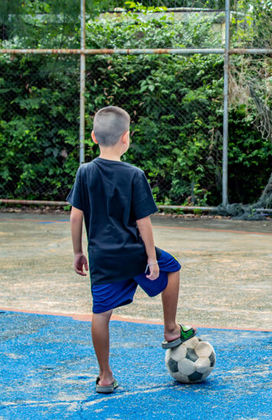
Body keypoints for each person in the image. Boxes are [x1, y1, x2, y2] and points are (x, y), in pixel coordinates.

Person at [67, 106, 195, 394]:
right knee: (172, 269)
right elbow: (143, 222)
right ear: (127, 138)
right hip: (134, 254)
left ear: (93, 137)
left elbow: (76, 216)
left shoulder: (85, 172)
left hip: (102, 259)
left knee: (101, 313)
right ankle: (171, 329)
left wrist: (78, 252)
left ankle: (105, 376)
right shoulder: (135, 174)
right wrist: (151, 258)